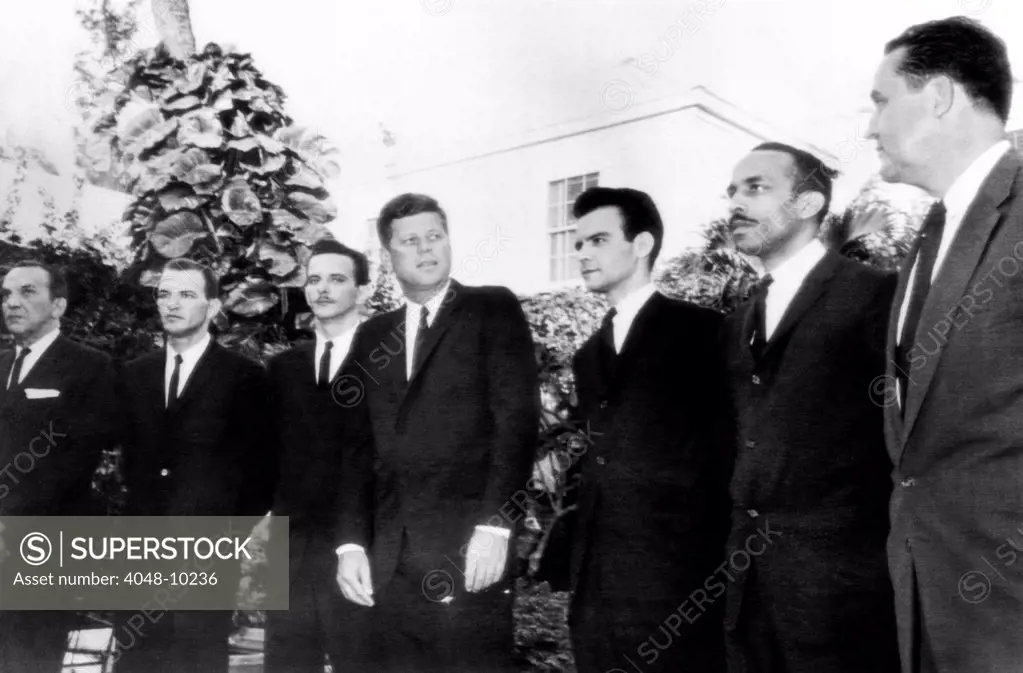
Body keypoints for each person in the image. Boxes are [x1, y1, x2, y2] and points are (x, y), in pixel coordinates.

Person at [867, 17, 1023, 673]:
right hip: (928, 609)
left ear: (937, 97)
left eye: (880, 101)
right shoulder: (929, 237)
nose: (868, 127)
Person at [333, 193, 538, 672]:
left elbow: (517, 422)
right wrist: (350, 545)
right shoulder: (373, 336)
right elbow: (356, 450)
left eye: (435, 236)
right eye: (410, 241)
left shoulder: (491, 309)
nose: (426, 249)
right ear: (389, 256)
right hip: (389, 561)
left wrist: (495, 525)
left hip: (467, 553)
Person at [721, 143, 899, 673]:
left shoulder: (874, 296)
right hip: (746, 589)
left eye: (755, 188)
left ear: (807, 204)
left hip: (840, 597)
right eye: (731, 191)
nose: (734, 202)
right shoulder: (740, 316)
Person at [565, 186, 731, 672]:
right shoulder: (588, 356)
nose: (582, 254)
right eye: (578, 244)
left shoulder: (702, 331)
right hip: (598, 588)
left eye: (597, 240)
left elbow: (725, 450)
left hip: (680, 583)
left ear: (641, 245)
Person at [115, 258, 275, 673]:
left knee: (197, 660)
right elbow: (128, 460)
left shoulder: (245, 378)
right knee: (136, 659)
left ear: (214, 306)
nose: (172, 303)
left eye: (186, 294)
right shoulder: (134, 375)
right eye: (164, 293)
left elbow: (262, 472)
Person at [0, 261, 117, 672]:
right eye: (7, 294)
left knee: (31, 657)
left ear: (58, 305)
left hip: (45, 544)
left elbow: (75, 457)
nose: (12, 302)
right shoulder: (0, 365)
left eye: (27, 291)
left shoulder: (88, 366)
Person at [264, 239, 371, 672]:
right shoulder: (283, 368)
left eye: (337, 279)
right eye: (314, 279)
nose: (322, 289)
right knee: (287, 660)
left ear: (362, 291)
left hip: (362, 546)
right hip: (291, 548)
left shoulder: (386, 362)